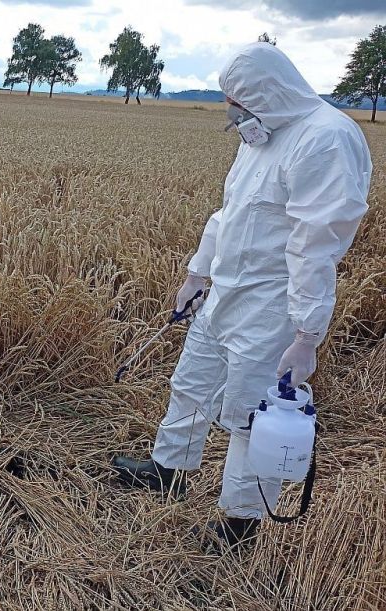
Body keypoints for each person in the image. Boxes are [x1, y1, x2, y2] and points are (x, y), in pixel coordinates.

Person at [112, 43, 371, 549]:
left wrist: (306, 334)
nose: (233, 109)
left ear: (266, 90)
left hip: (273, 308)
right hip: (225, 294)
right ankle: (167, 471)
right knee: (191, 385)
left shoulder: (327, 139)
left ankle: (240, 523)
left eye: (238, 98)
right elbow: (229, 213)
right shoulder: (261, 132)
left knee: (251, 417)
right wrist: (197, 274)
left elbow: (315, 244)